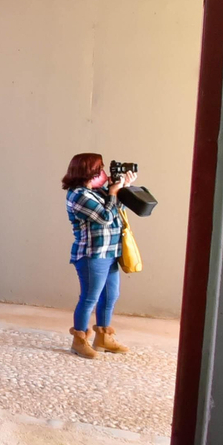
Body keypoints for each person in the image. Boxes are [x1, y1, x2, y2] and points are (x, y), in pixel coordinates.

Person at [62, 153, 137, 358]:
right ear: (90, 172)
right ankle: (79, 341)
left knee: (111, 295)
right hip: (91, 255)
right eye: (100, 169)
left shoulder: (97, 192)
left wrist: (121, 189)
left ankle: (103, 338)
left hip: (110, 252)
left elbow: (117, 211)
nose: (104, 173)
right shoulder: (77, 195)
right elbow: (105, 217)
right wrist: (112, 193)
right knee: (89, 298)